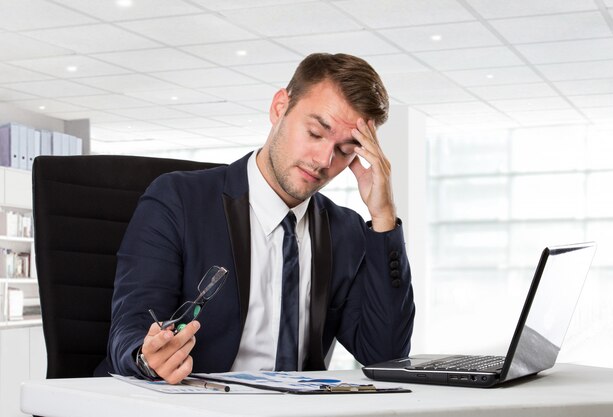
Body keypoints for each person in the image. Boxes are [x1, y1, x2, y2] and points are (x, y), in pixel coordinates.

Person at [103, 52, 415, 384]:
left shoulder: (345, 230)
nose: (324, 160)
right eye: (315, 133)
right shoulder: (177, 200)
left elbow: (385, 355)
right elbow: (131, 325)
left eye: (344, 150)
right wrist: (148, 357)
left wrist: (383, 218)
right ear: (279, 107)